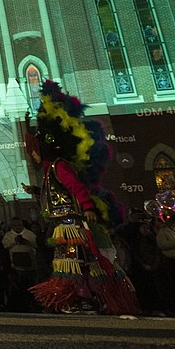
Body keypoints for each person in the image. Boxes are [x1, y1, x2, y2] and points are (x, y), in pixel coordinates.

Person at [25, 81, 139, 315]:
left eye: (34, 150)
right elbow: (61, 192)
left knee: (76, 262)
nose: (33, 155)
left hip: (72, 224)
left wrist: (87, 207)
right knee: (71, 262)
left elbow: (76, 189)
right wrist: (36, 193)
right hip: (63, 224)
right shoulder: (51, 170)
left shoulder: (59, 166)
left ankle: (85, 298)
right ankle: (80, 297)